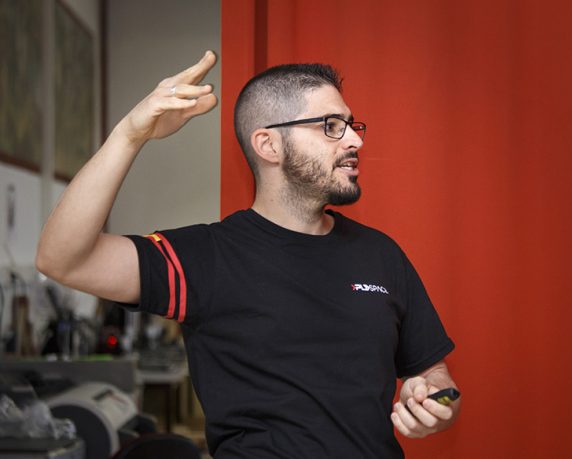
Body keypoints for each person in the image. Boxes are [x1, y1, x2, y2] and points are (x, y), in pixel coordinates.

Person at [36, 51, 459, 458]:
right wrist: (131, 133)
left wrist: (435, 400)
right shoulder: (206, 257)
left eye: (351, 125)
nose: (354, 140)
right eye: (331, 125)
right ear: (268, 145)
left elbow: (434, 374)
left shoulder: (380, 254)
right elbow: (62, 259)